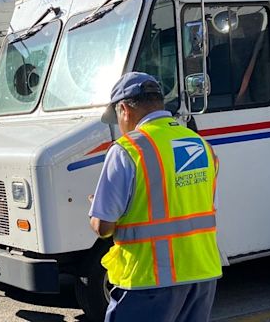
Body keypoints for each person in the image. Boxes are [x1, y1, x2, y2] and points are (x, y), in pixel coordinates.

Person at [89, 72, 222, 322]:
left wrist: (98, 208)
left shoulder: (127, 150)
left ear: (124, 110)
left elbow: (103, 227)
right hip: (202, 274)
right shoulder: (201, 145)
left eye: (117, 117)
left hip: (148, 280)